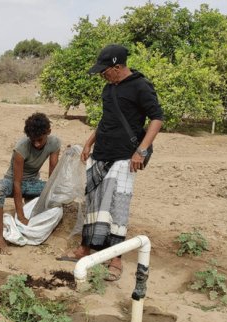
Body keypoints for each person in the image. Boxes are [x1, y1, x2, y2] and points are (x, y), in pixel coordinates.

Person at [61, 44, 163, 281]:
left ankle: (115, 259)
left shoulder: (141, 86)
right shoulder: (108, 89)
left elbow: (157, 118)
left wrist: (141, 150)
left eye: (104, 71)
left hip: (125, 157)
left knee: (117, 207)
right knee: (92, 203)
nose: (102, 75)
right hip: (101, 154)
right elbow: (106, 120)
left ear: (118, 67)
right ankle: (84, 249)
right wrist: (88, 143)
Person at [0, 112, 61, 253]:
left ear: (48, 132)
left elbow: (53, 176)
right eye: (33, 139)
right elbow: (17, 183)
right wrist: (20, 215)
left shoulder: (54, 143)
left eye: (40, 140)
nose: (36, 143)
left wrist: (52, 193)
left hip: (33, 183)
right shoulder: (21, 148)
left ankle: (32, 219)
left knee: (58, 193)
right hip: (13, 181)